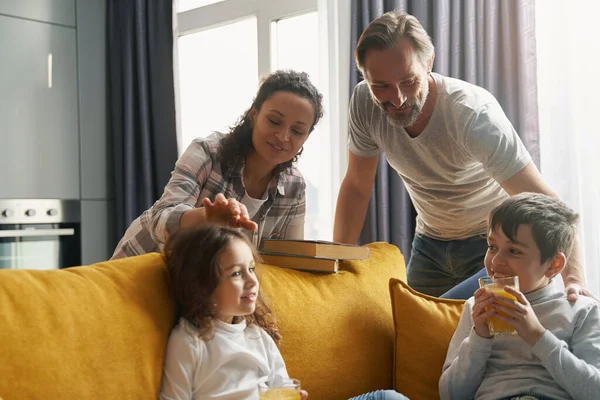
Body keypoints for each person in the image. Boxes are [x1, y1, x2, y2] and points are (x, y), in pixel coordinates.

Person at [333, 11, 587, 300]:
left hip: (491, 244)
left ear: (428, 63)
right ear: (365, 77)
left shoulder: (471, 115)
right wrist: (334, 263)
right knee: (412, 332)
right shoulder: (365, 103)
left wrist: (574, 280)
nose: (398, 98)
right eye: (381, 86)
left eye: (408, 81)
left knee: (455, 323)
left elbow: (550, 206)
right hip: (429, 242)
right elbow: (356, 186)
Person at [112, 70, 324, 259]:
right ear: (254, 116)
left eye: (297, 131)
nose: (283, 136)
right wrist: (206, 217)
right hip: (141, 265)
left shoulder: (294, 186)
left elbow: (288, 259)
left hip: (199, 286)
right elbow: (160, 218)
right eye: (274, 121)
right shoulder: (207, 152)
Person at [439, 193, 600, 400]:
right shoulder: (475, 308)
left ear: (554, 265)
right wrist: (479, 337)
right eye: (492, 247)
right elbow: (450, 395)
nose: (496, 261)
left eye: (514, 251)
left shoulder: (580, 310)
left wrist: (537, 336)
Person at [159, 225, 309, 399]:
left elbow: (281, 388)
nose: (252, 281)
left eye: (251, 269)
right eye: (236, 273)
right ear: (202, 287)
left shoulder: (259, 337)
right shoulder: (189, 342)